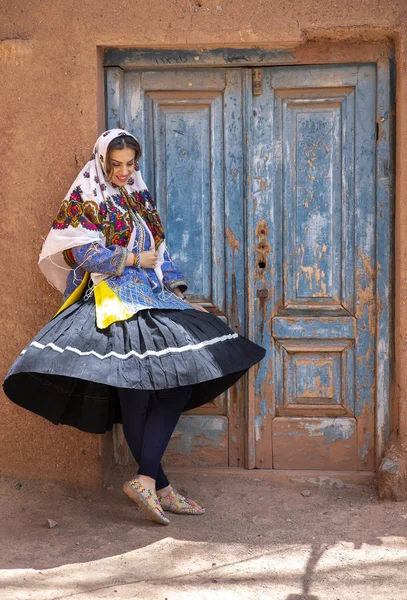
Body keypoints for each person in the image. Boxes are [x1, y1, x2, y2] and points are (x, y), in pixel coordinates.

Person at [3, 129, 266, 525]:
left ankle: (149, 481)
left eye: (130, 164)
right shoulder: (86, 195)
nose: (124, 171)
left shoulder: (138, 197)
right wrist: (130, 260)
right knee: (135, 391)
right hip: (112, 300)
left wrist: (176, 292)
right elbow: (80, 251)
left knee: (175, 382)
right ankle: (158, 486)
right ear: (102, 161)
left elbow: (159, 254)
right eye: (116, 164)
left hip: (153, 297)